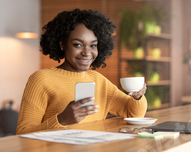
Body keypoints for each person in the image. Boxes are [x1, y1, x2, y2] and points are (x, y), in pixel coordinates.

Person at [16, 9, 147, 135]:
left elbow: (133, 114)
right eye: (78, 45)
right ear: (62, 44)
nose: (87, 53)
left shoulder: (98, 80)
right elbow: (22, 133)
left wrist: (137, 97)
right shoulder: (41, 79)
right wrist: (62, 120)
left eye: (93, 45)